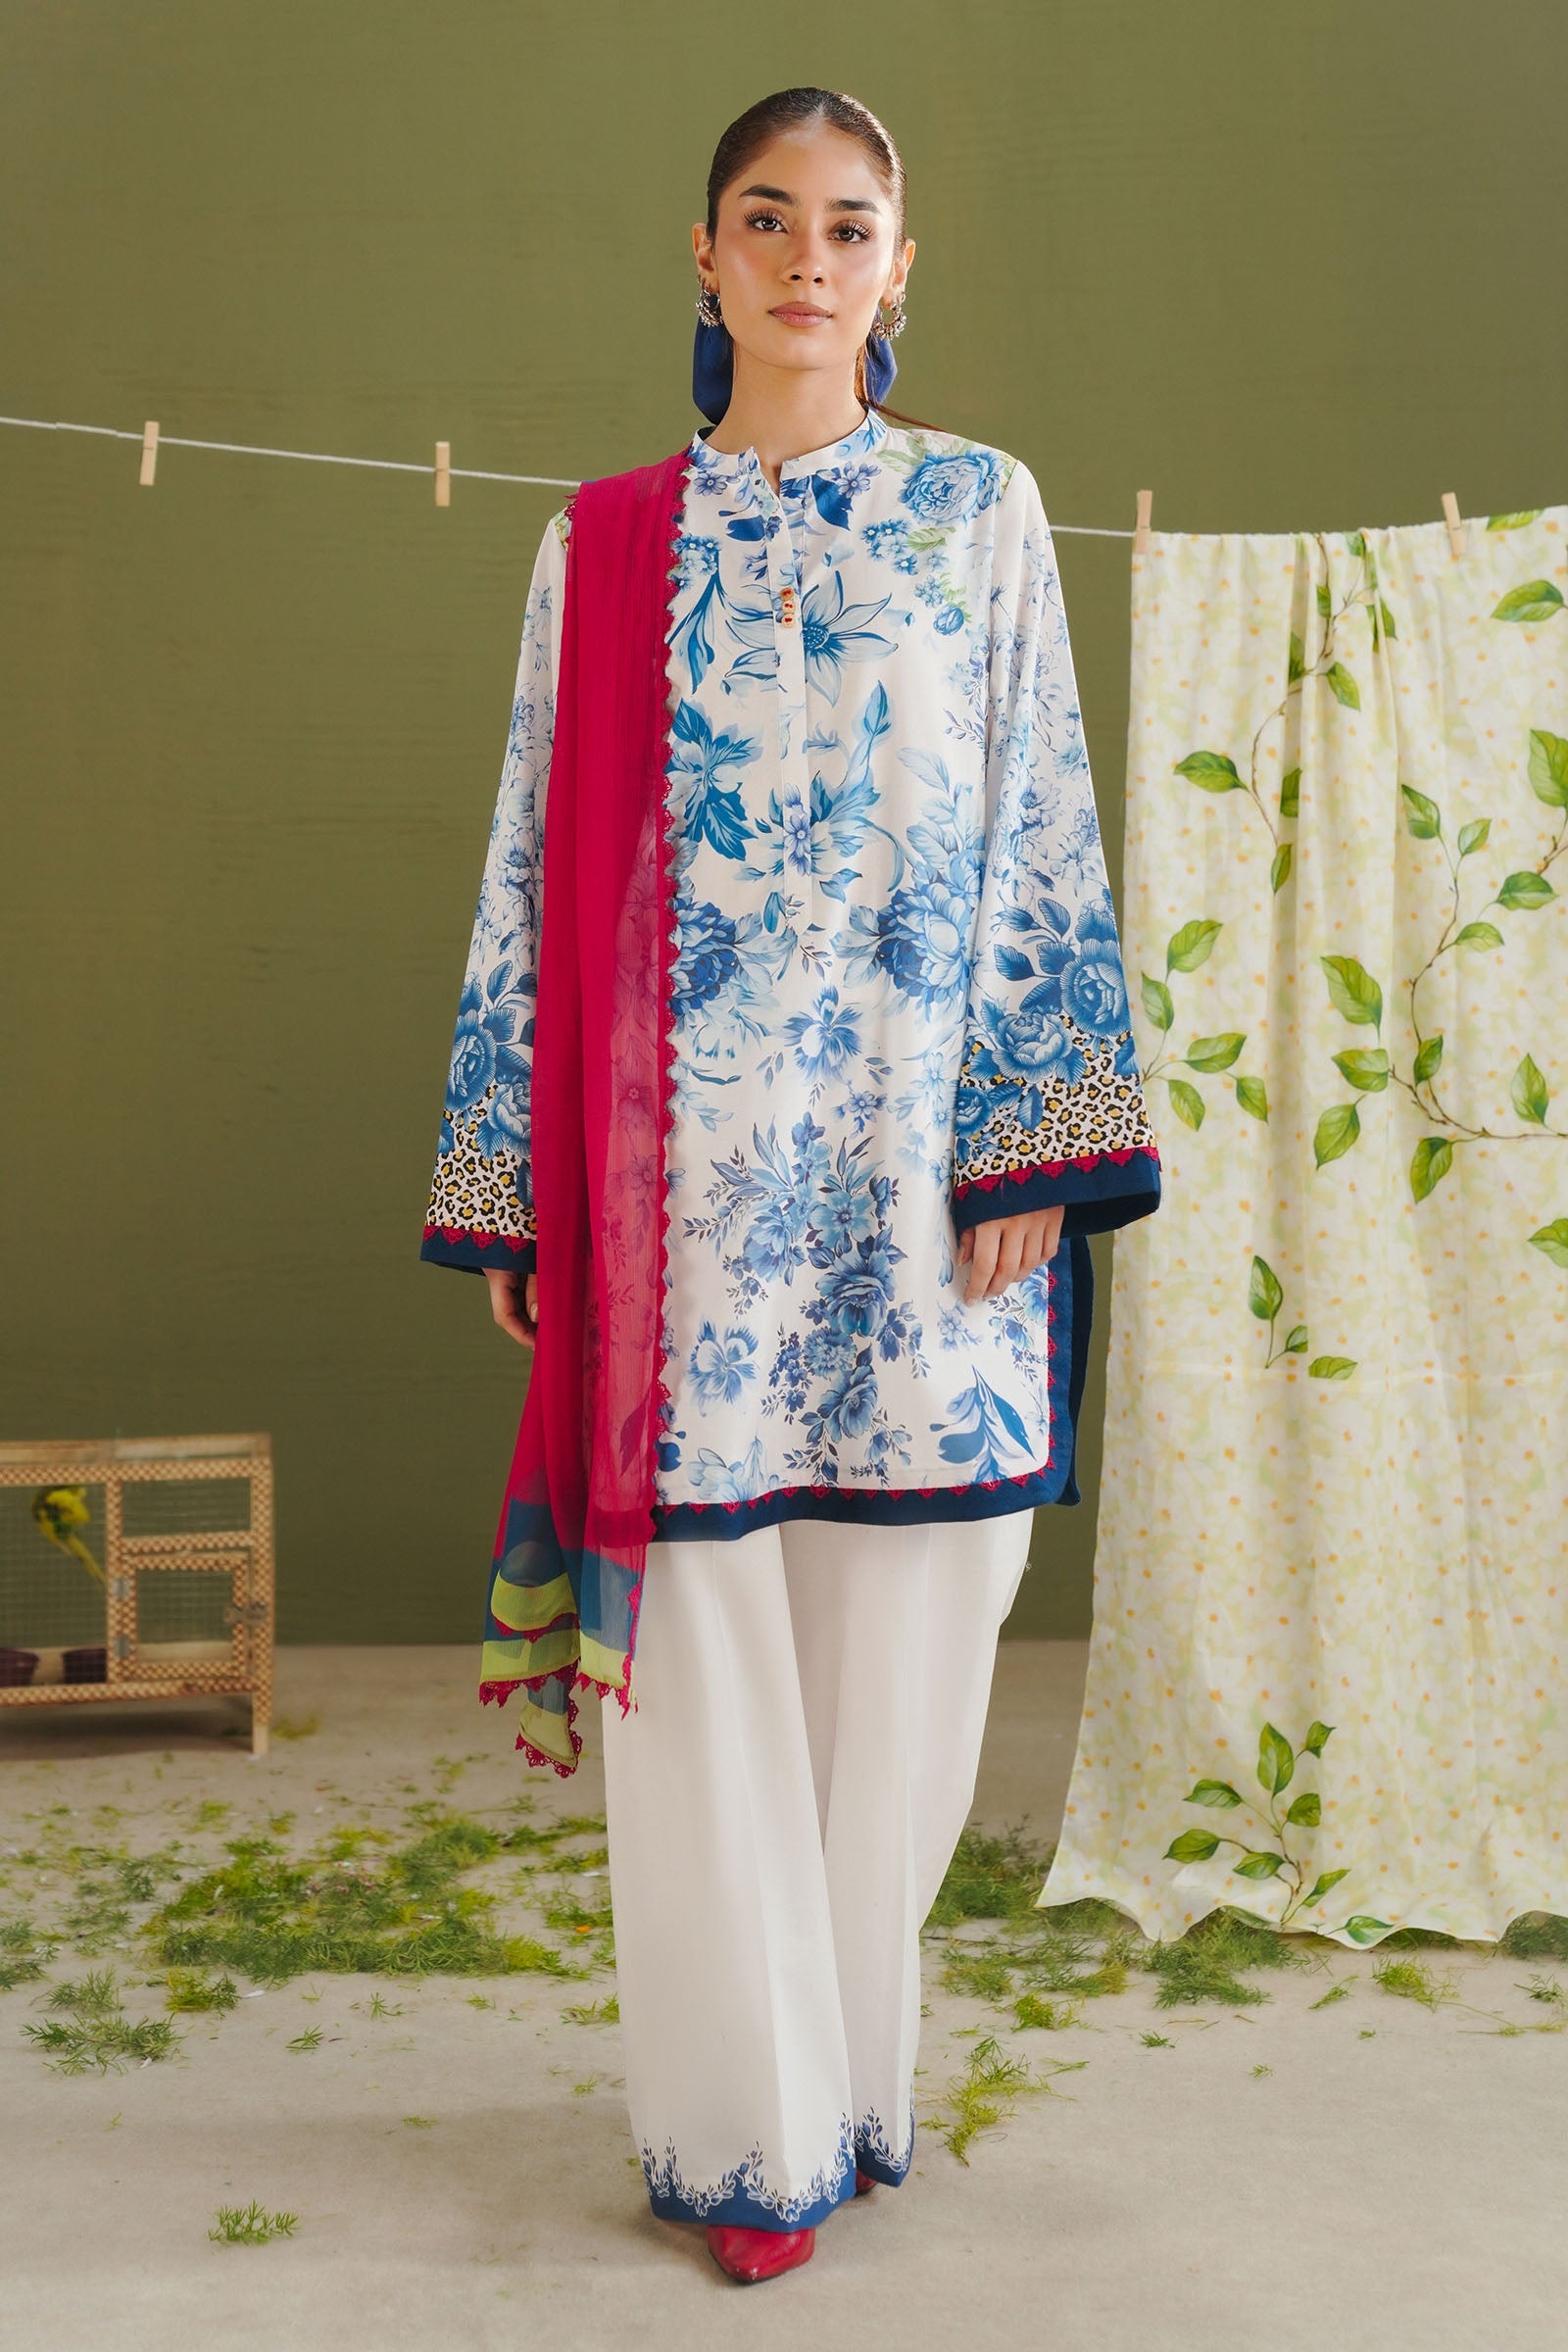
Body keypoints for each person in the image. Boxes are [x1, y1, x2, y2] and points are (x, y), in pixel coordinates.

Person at [421, 85, 1160, 2285]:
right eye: (769, 220)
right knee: (708, 1658)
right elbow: (529, 854)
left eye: (849, 227)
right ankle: (741, 2135)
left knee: (910, 1660)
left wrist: (1030, 1133)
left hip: (929, 1188)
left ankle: (845, 2083)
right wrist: (516, 1180)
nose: (808, 261)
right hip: (683, 1204)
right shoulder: (602, 543)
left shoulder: (979, 510)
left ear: (898, 267)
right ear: (706, 253)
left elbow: (1041, 810)